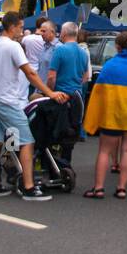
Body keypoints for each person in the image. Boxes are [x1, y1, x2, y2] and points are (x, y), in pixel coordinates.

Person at [82, 31, 127, 199]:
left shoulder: (110, 66)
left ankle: (99, 188)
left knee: (104, 151)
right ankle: (121, 188)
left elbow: (99, 94)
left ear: (117, 47)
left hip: (112, 115)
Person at [45, 21, 89, 164]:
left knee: (54, 131)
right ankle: (66, 163)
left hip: (60, 96)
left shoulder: (60, 50)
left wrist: (49, 92)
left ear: (63, 34)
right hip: (76, 97)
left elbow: (51, 77)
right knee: (70, 134)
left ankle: (51, 162)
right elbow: (86, 77)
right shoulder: (83, 53)